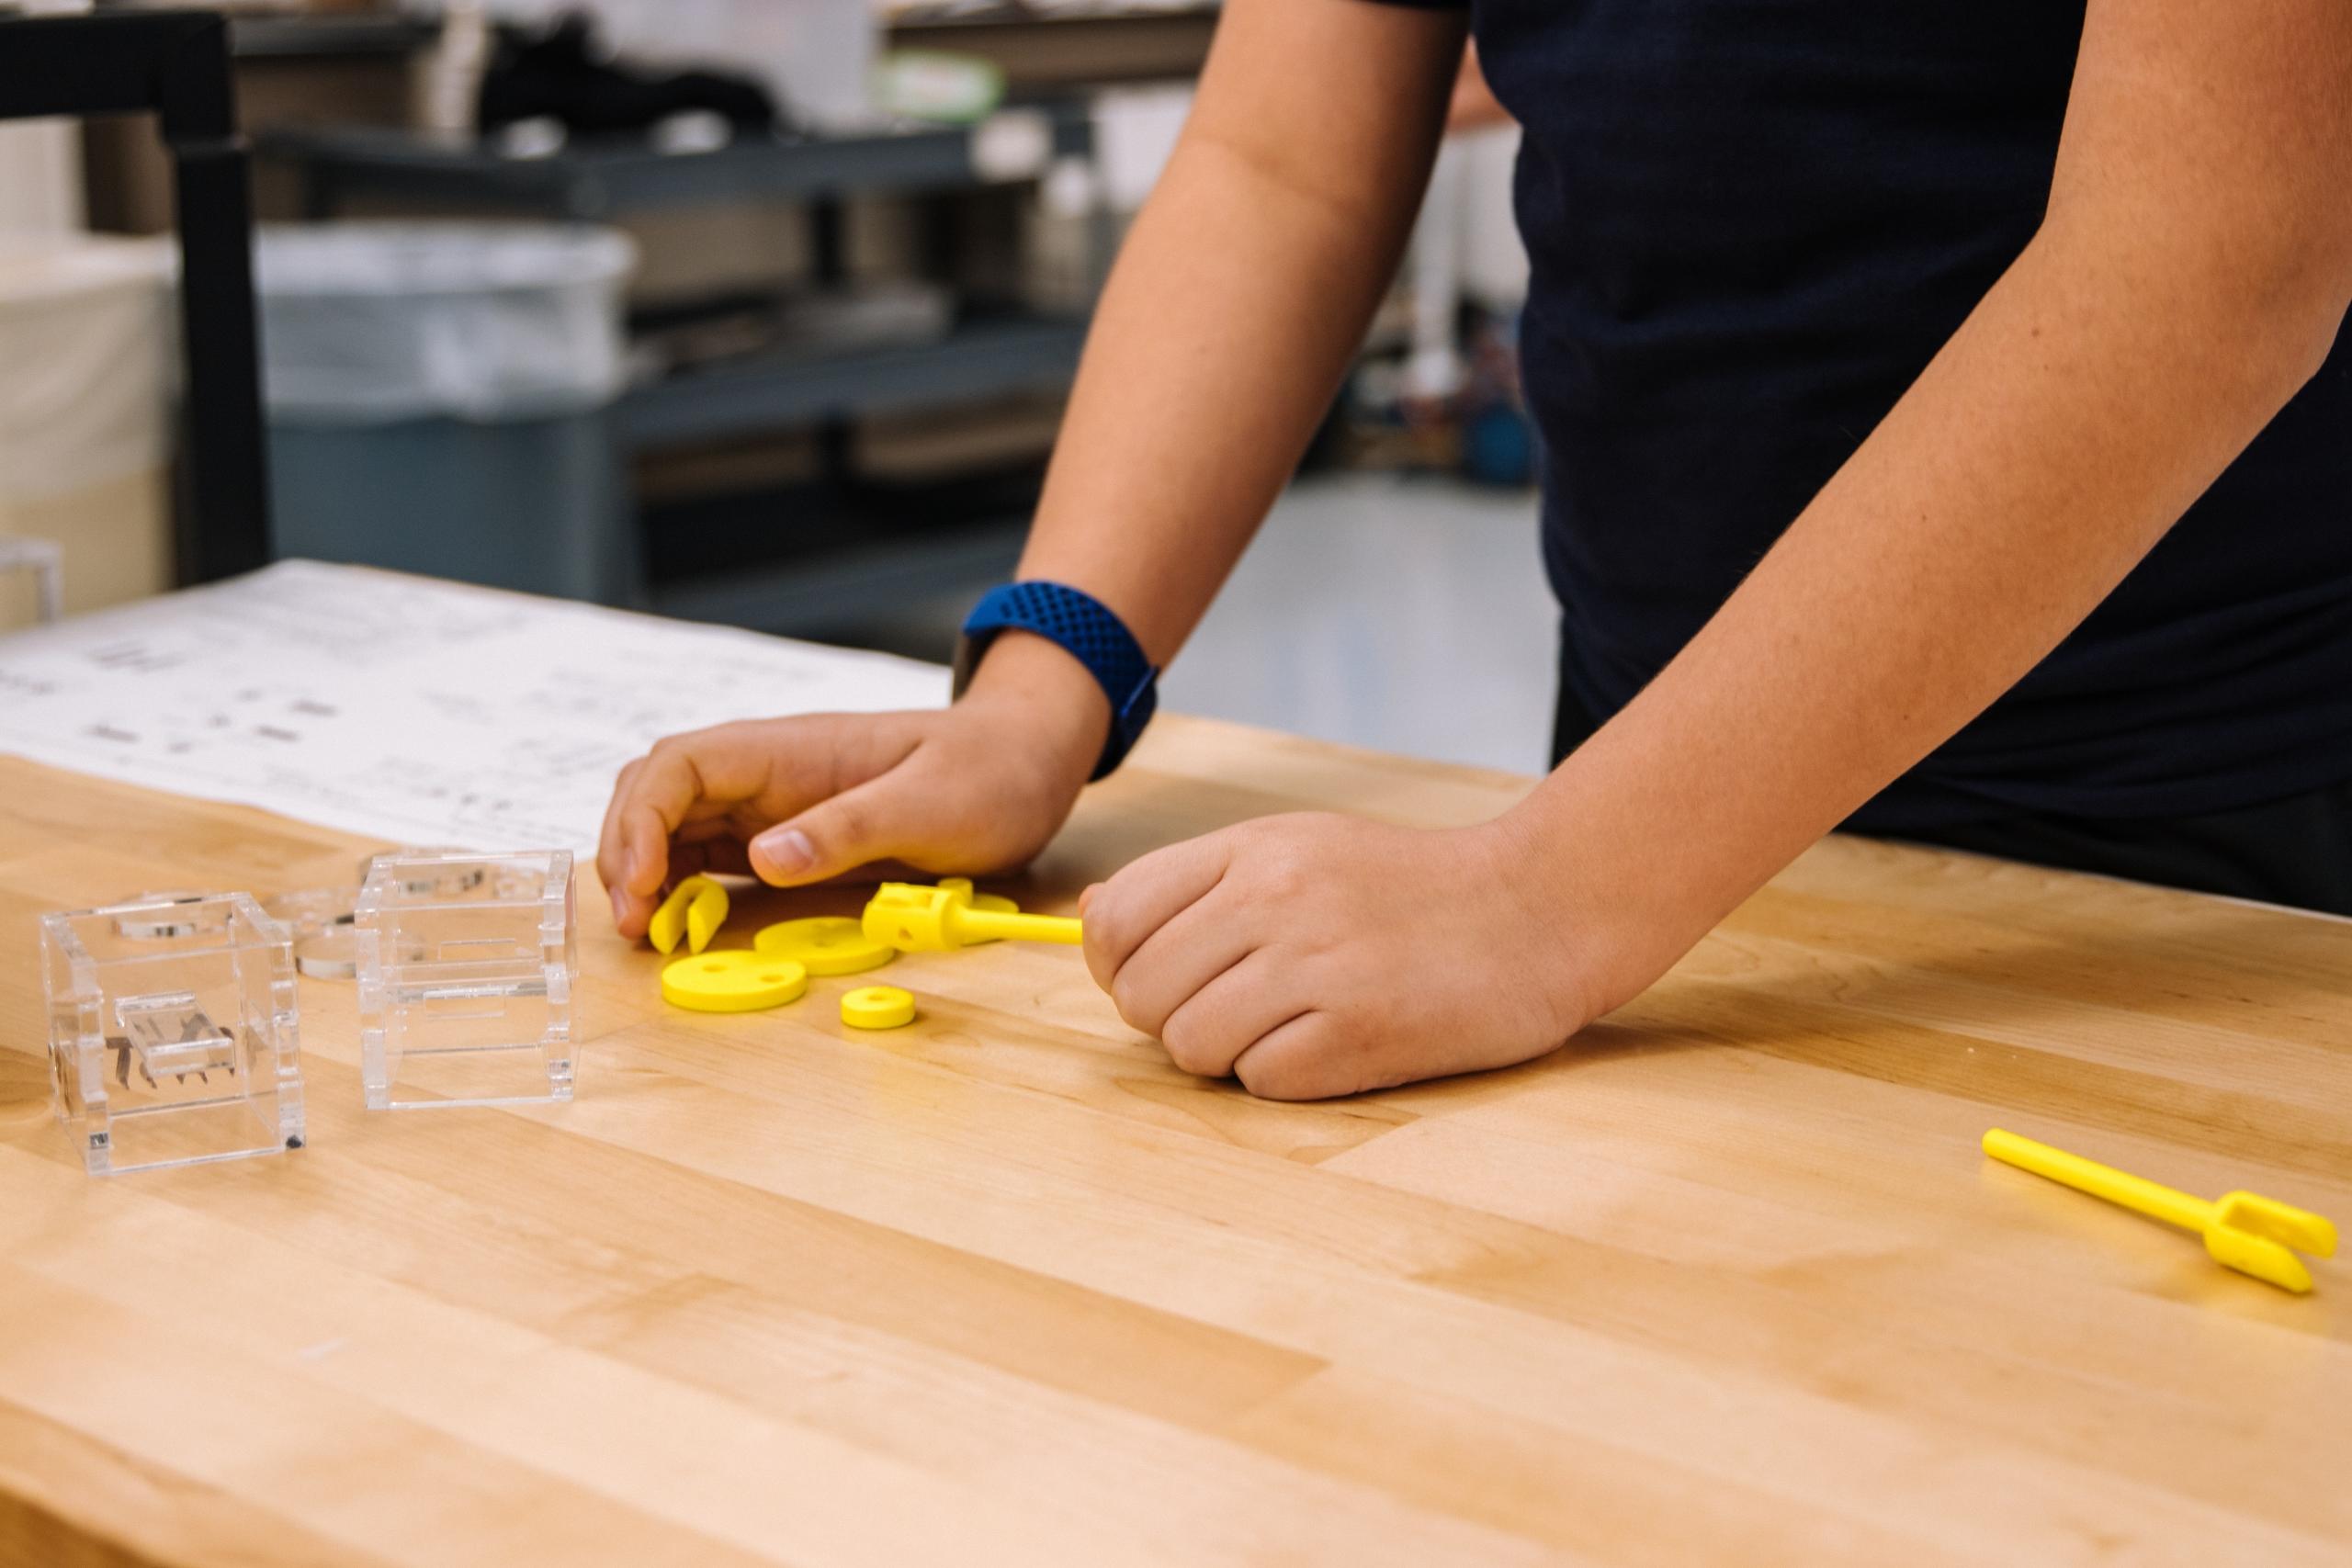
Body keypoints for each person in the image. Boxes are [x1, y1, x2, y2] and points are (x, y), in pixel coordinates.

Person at [601, 0, 2352, 1100]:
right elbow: (1284, 159)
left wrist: (1543, 900)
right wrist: (1035, 694)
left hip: (2213, 825)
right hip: (1653, 798)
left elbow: (2211, 255)